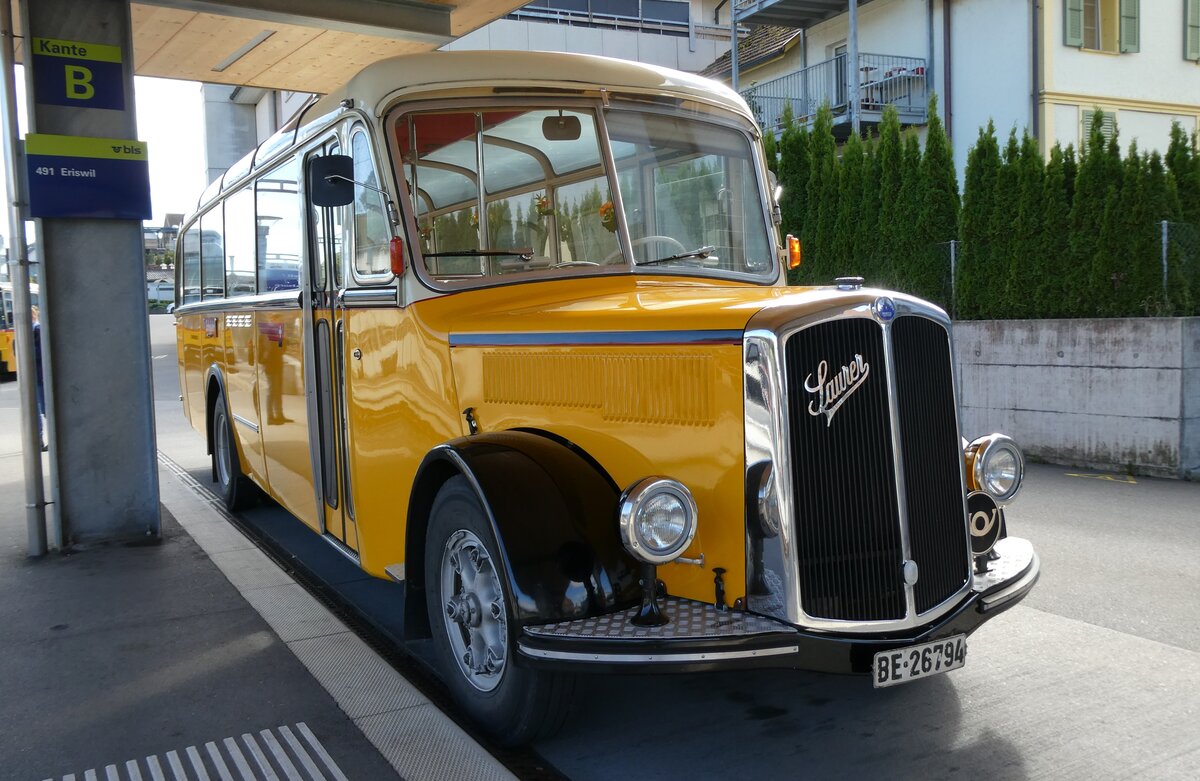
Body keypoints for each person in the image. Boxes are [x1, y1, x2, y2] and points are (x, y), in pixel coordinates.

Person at [31, 305, 46, 451]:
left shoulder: (37, 330)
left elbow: (39, 352)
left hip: (39, 377)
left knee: (45, 409)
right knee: (38, 409)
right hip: (36, 377)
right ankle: (39, 440)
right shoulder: (29, 331)